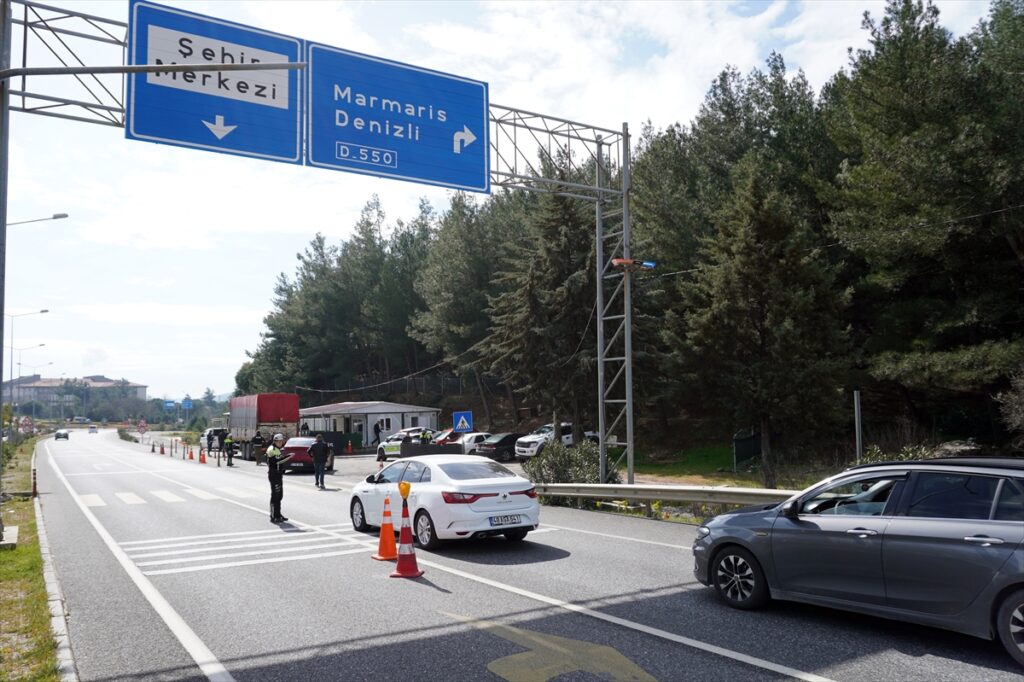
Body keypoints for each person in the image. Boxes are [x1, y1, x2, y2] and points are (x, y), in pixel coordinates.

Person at [266, 433, 293, 523]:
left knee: (279, 495)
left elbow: (279, 460)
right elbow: (277, 461)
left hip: (278, 474)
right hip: (274, 474)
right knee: (275, 495)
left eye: (282, 441)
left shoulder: (278, 449)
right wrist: (288, 457)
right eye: (279, 441)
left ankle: (278, 514)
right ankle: (273, 515)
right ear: (275, 441)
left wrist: (286, 457)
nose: (281, 443)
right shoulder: (271, 449)